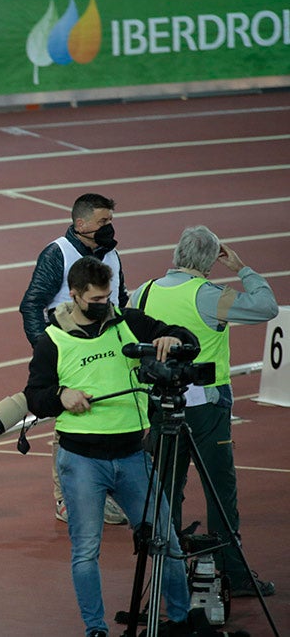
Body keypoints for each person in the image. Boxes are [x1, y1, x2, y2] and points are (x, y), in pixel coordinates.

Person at [24, 256, 196, 637]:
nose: (106, 305)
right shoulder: (51, 340)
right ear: (75, 295)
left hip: (134, 456)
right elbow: (34, 397)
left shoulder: (127, 323)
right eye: (97, 299)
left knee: (166, 541)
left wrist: (172, 337)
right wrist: (61, 395)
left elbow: (186, 339)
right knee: (86, 552)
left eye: (109, 297)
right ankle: (96, 630)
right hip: (82, 461)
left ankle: (183, 621)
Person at [132, 226, 278, 598]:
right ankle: (233, 573)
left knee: (166, 489)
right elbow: (266, 306)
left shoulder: (142, 293)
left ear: (176, 254)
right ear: (212, 261)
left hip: (160, 401)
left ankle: (169, 574)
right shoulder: (209, 295)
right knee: (219, 489)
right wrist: (242, 267)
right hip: (208, 408)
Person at [20, 193, 129, 525]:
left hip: (107, 351)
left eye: (110, 221)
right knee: (67, 421)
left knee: (106, 413)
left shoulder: (112, 255)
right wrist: (46, 349)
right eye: (103, 222)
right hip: (68, 351)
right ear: (81, 224)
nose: (109, 228)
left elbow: (121, 300)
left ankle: (103, 491)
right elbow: (31, 304)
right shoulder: (58, 254)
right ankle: (65, 499)